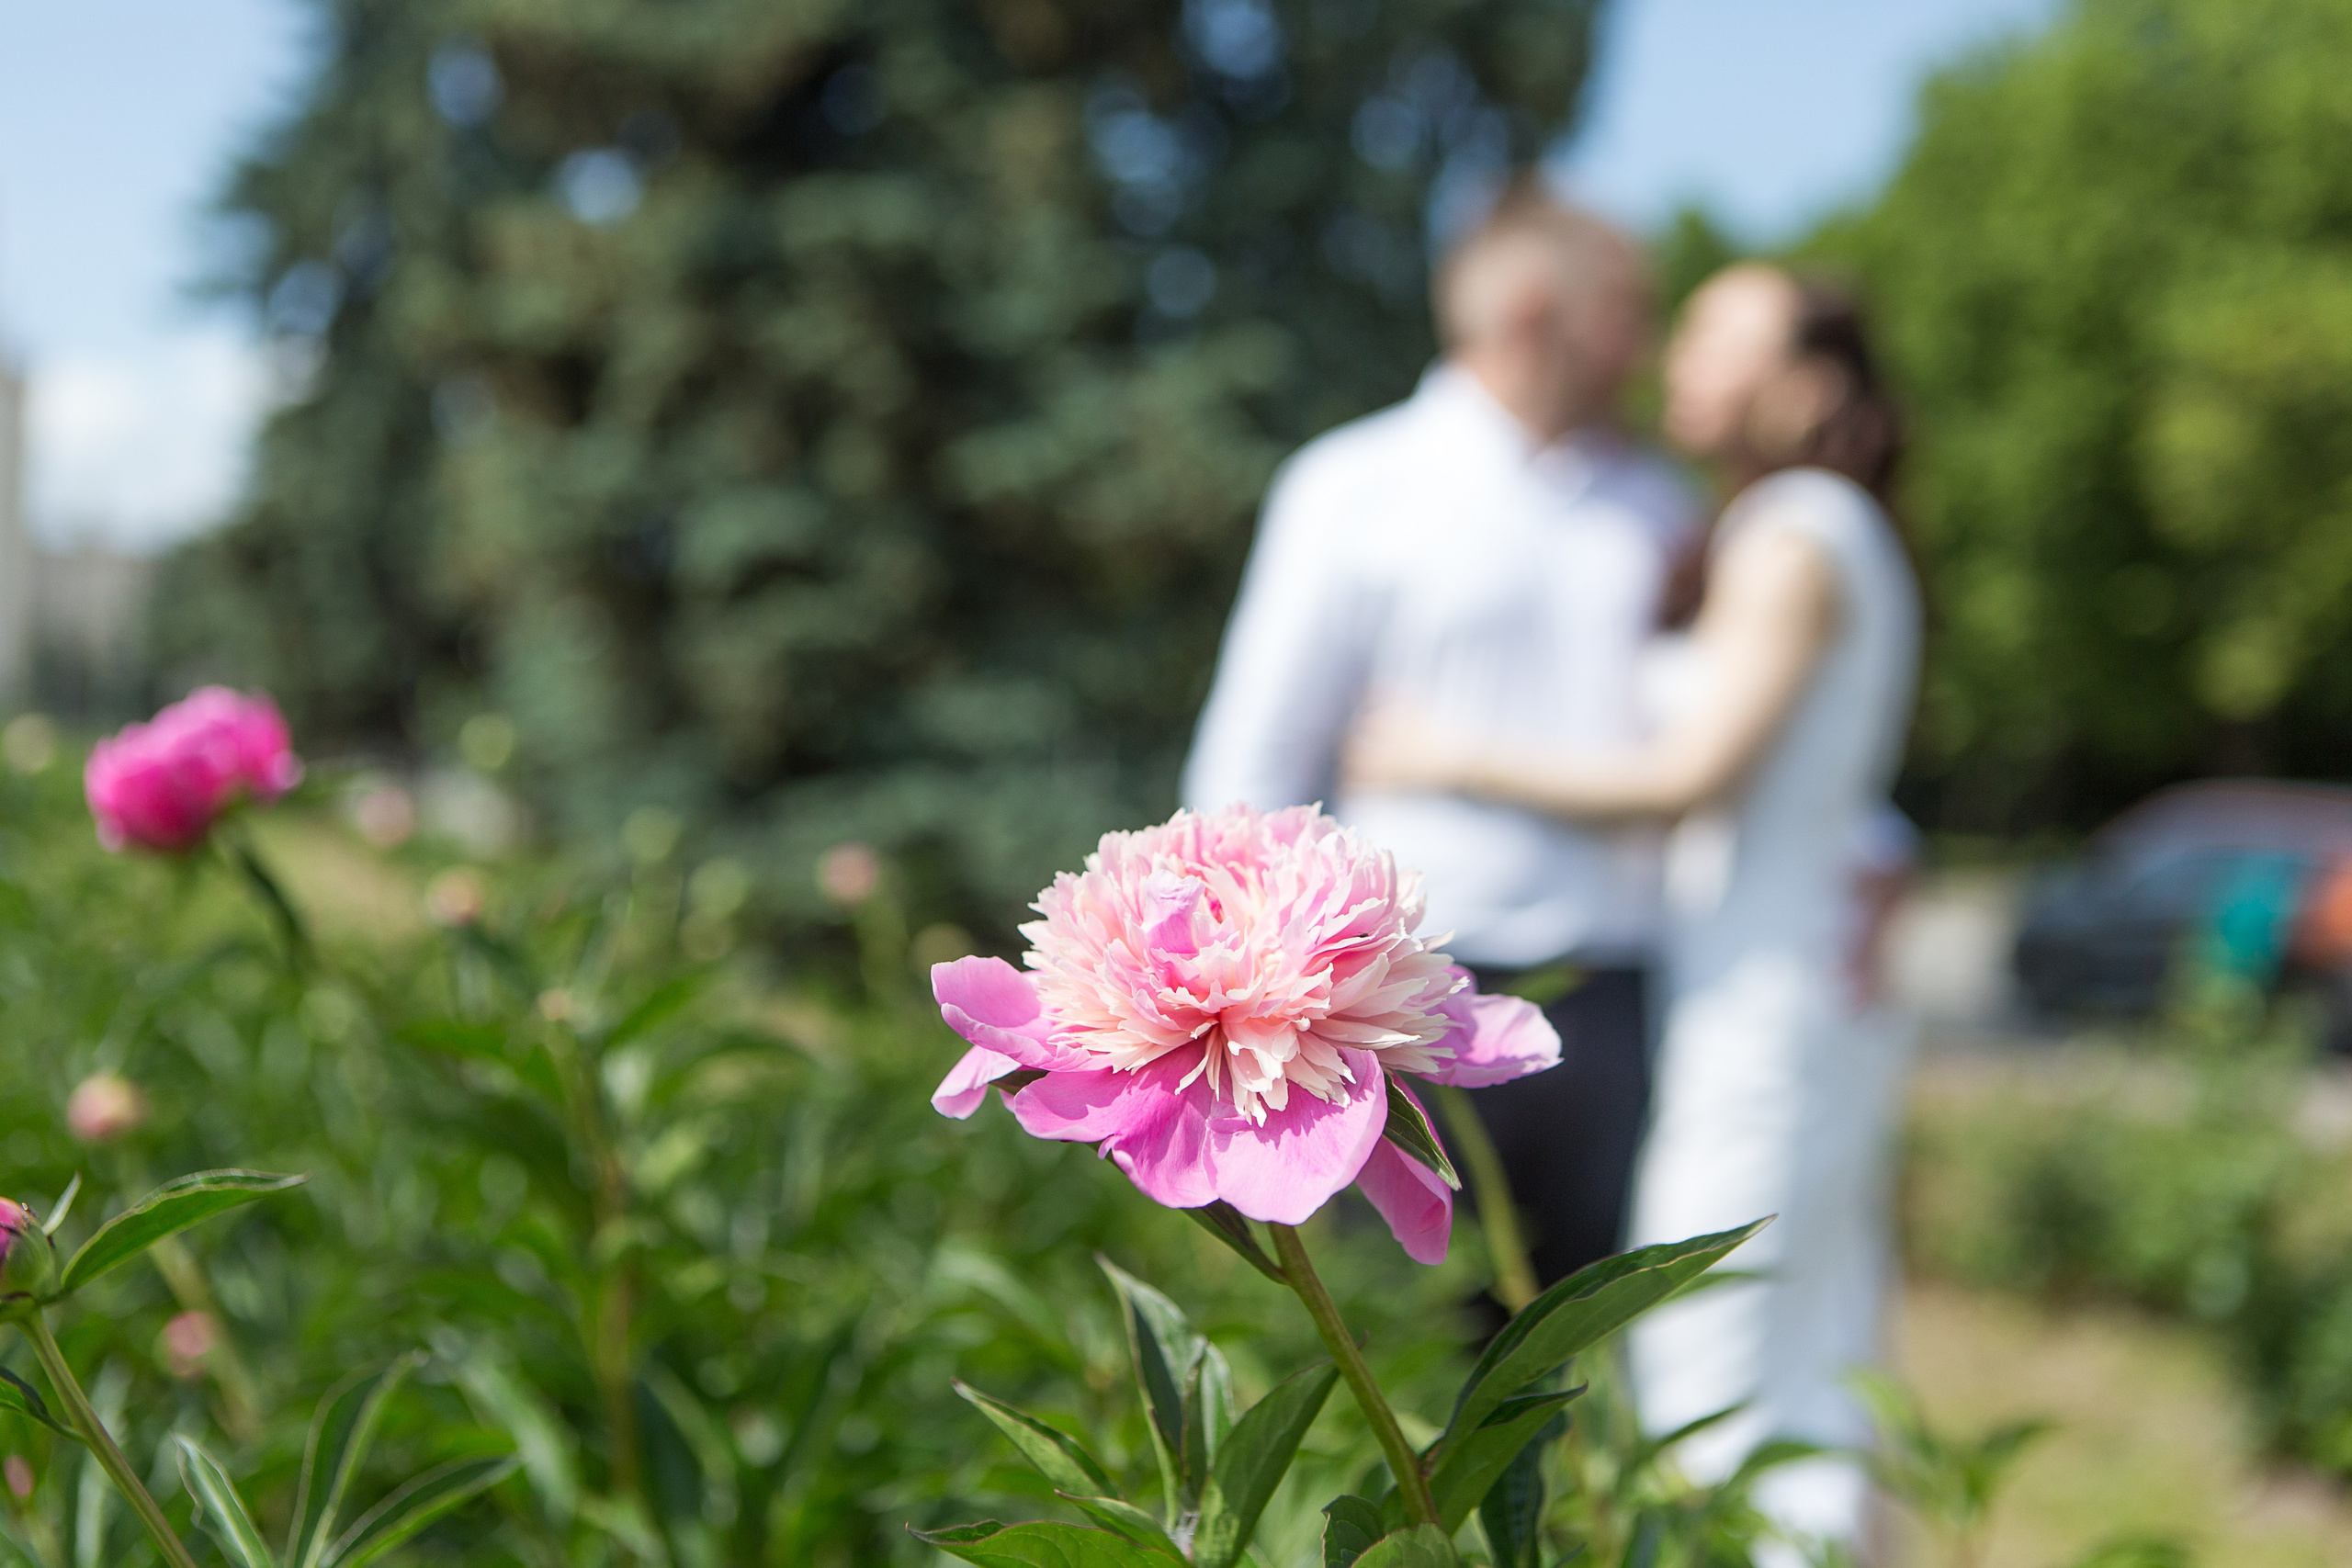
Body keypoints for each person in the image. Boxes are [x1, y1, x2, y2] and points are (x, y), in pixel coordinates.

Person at [1343, 263, 1922, 1565]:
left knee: (1705, 1354)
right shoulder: (1809, 527)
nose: (1682, 360)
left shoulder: (1794, 529)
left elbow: (1691, 774)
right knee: (1805, 1350)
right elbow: (1832, 775)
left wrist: (1446, 751)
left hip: (1765, 1009)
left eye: (1723, 338)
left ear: (1810, 385)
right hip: (1785, 988)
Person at [1182, 179, 1700, 1288]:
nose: (1643, 349)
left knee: (1560, 1357)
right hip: (1409, 998)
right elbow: (1252, 759)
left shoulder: (1657, 506)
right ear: (1528, 311)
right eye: (1624, 313)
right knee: (1401, 1352)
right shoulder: (1353, 485)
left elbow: (1728, 721)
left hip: (1614, 988)